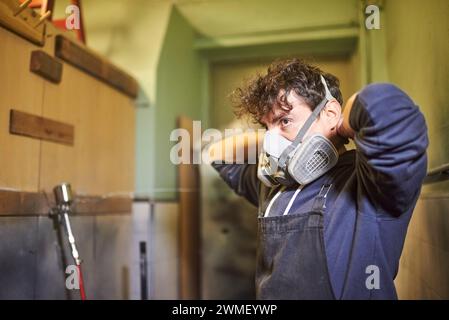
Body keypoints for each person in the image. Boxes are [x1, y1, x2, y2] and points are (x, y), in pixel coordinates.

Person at [206, 58, 428, 299]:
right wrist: (274, 139)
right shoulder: (273, 187)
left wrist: (340, 125)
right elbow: (218, 153)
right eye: (265, 127)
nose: (272, 142)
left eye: (285, 120)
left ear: (331, 113)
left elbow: (386, 105)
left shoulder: (370, 183)